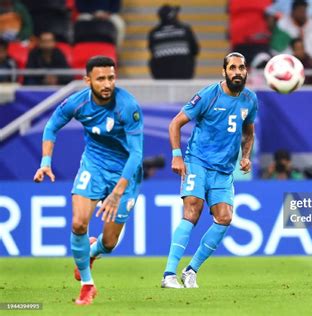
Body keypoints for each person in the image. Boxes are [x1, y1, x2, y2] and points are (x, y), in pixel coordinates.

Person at [33, 56, 144, 305]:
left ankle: (93, 251)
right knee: (79, 224)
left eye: (111, 78)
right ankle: (87, 284)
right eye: (101, 78)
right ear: (88, 80)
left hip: (125, 172)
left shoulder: (127, 105)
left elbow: (136, 154)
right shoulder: (78, 102)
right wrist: (45, 162)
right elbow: (51, 126)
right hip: (93, 166)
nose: (107, 84)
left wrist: (118, 191)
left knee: (109, 242)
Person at [161, 52, 257, 288]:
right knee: (193, 209)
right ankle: (169, 275)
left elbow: (249, 132)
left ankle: (191, 270)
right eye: (232, 68)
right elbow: (175, 123)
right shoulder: (209, 95)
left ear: (246, 71)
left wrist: (245, 156)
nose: (237, 72)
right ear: (224, 72)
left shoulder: (250, 99)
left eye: (241, 68)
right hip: (198, 162)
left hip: (224, 170)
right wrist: (176, 157)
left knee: (224, 217)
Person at [148, 4, 199, 79]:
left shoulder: (153, 33)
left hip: (161, 78)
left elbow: (152, 51)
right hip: (185, 76)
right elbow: (196, 50)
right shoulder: (185, 30)